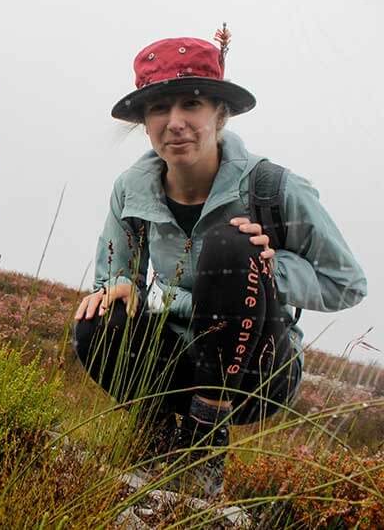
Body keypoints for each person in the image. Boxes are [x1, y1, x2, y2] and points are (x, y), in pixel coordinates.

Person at [73, 28, 366, 497]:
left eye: (191, 104)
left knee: (230, 246)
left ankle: (206, 441)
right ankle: (160, 432)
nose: (175, 122)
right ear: (144, 123)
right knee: (95, 319)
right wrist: (118, 284)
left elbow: (347, 283)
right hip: (172, 355)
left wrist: (269, 266)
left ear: (220, 114)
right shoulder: (130, 188)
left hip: (256, 370)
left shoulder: (275, 188)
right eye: (159, 108)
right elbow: (116, 269)